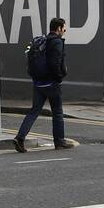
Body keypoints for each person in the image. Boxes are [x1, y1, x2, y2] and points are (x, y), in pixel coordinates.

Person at [12, 16, 73, 152]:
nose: (65, 30)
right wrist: (59, 78)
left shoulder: (43, 40)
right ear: (58, 28)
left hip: (38, 83)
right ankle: (59, 141)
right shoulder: (56, 42)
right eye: (64, 28)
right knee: (57, 112)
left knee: (34, 111)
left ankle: (20, 138)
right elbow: (55, 63)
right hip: (51, 83)